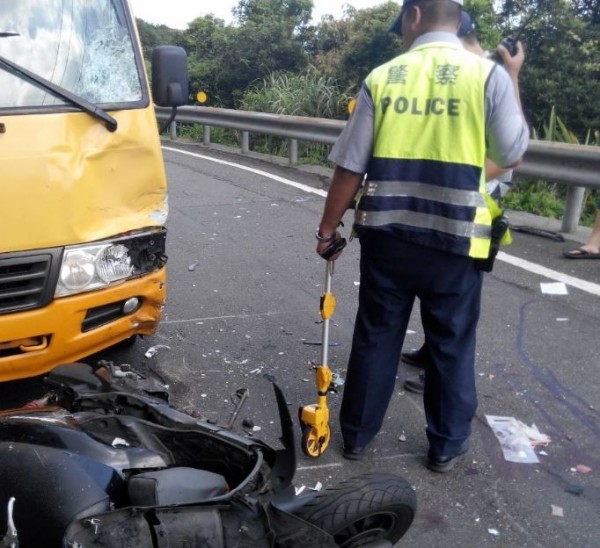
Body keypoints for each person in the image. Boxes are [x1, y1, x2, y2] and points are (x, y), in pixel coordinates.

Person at [315, 0, 529, 472]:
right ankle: (446, 445)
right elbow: (512, 151)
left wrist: (328, 229)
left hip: (387, 238)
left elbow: (351, 165)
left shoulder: (384, 77)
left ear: (414, 16)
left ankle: (356, 436)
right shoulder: (486, 76)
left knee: (376, 335)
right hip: (456, 241)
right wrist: (512, 74)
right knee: (451, 342)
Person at [403, 10, 525, 394]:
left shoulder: (481, 73)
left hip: (477, 193)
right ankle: (432, 355)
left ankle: (439, 374)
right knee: (446, 287)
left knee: (455, 293)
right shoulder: (480, 71)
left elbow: (511, 149)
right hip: (465, 189)